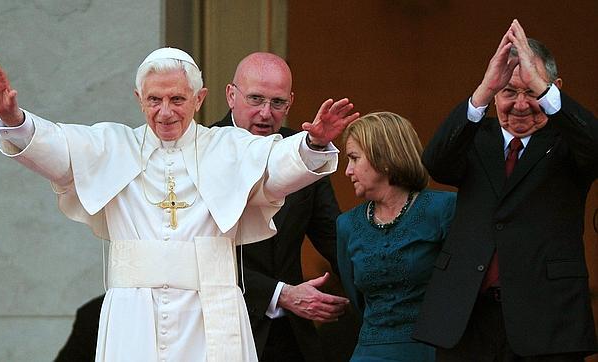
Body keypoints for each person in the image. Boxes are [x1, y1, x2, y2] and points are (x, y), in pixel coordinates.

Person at [0, 47, 359, 362]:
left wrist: (314, 143)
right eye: (154, 99)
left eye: (177, 99)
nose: (166, 111)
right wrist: (11, 115)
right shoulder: (112, 146)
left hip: (211, 313)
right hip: (135, 316)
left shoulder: (230, 148)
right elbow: (56, 148)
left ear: (199, 98)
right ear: (139, 99)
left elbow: (277, 167)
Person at [412, 20, 598, 360]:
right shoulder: (474, 137)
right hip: (467, 318)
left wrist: (542, 89)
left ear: (553, 87)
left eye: (532, 92)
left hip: (546, 319)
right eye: (509, 91)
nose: (521, 104)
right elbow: (436, 163)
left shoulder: (569, 141)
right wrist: (483, 89)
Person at [213, 52, 351, 361]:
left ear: (290, 102)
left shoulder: (304, 150)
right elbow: (200, 255)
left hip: (292, 339)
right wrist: (280, 294)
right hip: (225, 332)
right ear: (231, 95)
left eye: (277, 103)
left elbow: (334, 239)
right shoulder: (201, 150)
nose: (265, 113)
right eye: (255, 99)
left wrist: (386, 287)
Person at [337, 112, 456, 361]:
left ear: (385, 158)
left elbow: (462, 287)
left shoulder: (443, 209)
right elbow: (357, 300)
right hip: (369, 352)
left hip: (432, 351)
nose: (348, 171)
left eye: (354, 159)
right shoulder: (347, 224)